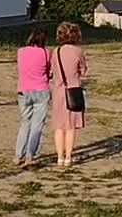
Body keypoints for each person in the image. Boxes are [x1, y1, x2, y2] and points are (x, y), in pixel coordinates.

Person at [50, 21, 87, 167]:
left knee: (59, 126)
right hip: (73, 90)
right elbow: (83, 70)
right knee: (71, 126)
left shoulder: (55, 52)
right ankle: (68, 157)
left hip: (58, 91)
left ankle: (59, 157)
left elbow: (52, 71)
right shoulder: (78, 52)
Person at [14, 27, 51, 167]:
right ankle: (30, 154)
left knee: (25, 123)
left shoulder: (21, 51)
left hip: (24, 89)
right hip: (41, 89)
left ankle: (18, 154)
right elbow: (48, 70)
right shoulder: (45, 53)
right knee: (37, 125)